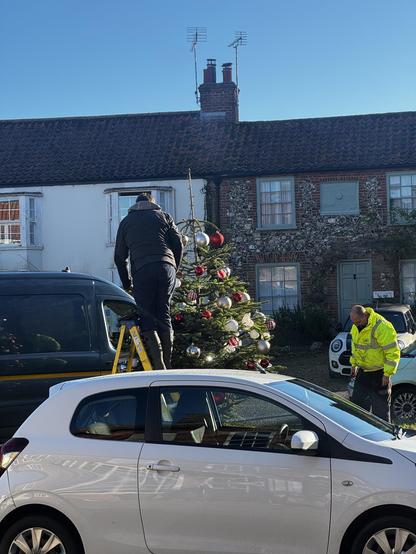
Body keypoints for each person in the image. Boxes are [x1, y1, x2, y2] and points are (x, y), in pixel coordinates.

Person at [114, 192, 183, 369]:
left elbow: (119, 257)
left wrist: (127, 283)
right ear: (152, 203)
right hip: (166, 267)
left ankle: (159, 366)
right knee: (163, 312)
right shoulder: (165, 216)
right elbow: (179, 243)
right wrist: (174, 268)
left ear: (135, 205)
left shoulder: (126, 222)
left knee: (147, 315)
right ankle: (167, 364)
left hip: (143, 269)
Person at [350, 305, 400, 421]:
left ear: (365, 315)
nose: (356, 325)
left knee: (381, 411)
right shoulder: (355, 326)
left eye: (357, 322)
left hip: (379, 374)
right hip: (363, 373)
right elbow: (355, 347)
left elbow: (392, 352)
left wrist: (387, 374)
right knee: (358, 409)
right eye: (354, 323)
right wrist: (354, 364)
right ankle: (361, 435)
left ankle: (384, 436)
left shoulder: (382, 326)